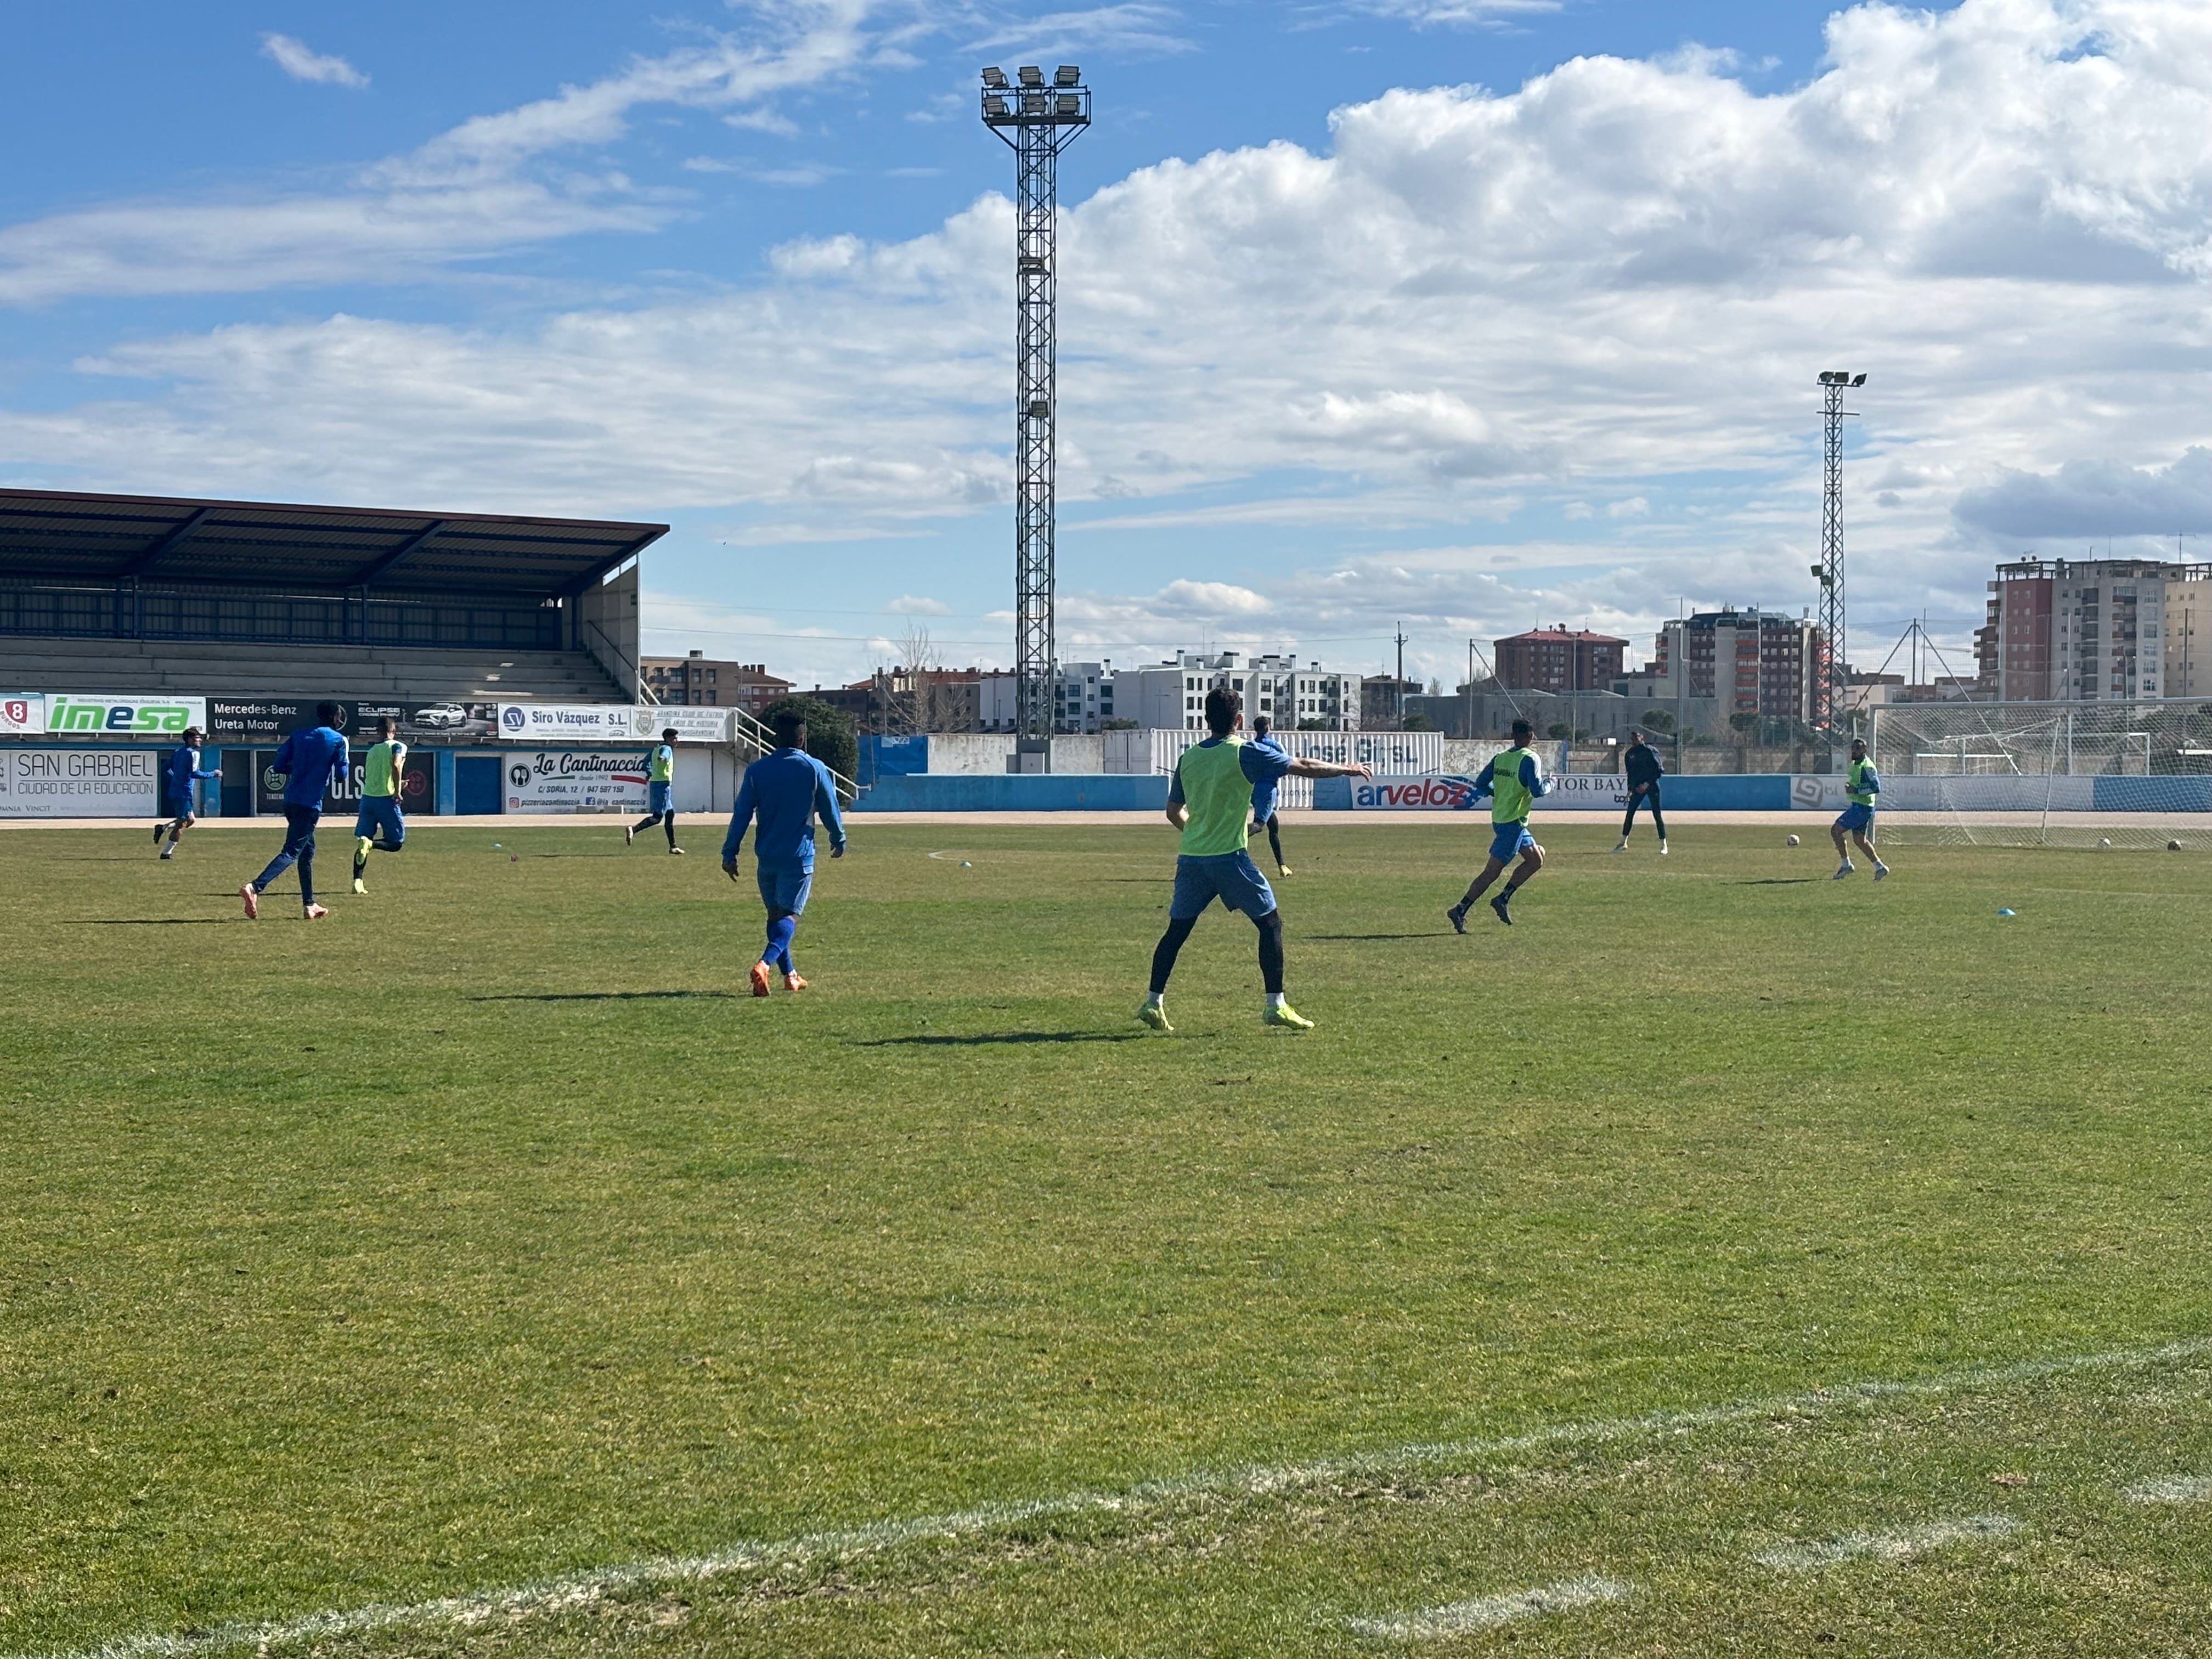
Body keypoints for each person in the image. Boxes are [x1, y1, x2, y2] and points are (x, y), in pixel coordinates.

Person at [1138, 686, 1372, 1034]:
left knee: (1176, 931)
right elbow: (1303, 765)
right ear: (1238, 720)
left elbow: (1173, 811)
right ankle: (1275, 1006)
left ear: (1206, 720)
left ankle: (1153, 1002)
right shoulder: (1246, 753)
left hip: (1191, 858)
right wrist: (1348, 769)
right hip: (1229, 857)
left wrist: (1196, 833)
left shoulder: (1188, 758)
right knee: (1270, 924)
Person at [721, 713, 846, 996]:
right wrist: (838, 839)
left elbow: (742, 813)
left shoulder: (758, 770)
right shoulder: (814, 768)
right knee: (790, 917)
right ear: (802, 739)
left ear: (776, 738)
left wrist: (730, 851)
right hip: (799, 855)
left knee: (775, 916)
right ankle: (764, 964)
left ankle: (790, 975)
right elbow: (829, 808)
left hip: (767, 855)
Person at [240, 702, 348, 921]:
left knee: (306, 852)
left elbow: (279, 766)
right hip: (310, 803)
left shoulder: (298, 735)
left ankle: (310, 904)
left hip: (291, 799)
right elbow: (342, 775)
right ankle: (255, 887)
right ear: (336, 718)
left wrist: (300, 768)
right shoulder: (338, 740)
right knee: (291, 851)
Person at [1448, 717, 1550, 931]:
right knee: (1491, 873)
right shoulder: (1531, 759)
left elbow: (1480, 783)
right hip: (1512, 823)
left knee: (1536, 858)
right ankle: (1460, 909)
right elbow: (1538, 791)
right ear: (1531, 736)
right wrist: (1552, 784)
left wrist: (1499, 793)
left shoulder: (1500, 758)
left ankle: (1503, 899)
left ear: (1513, 736)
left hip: (1506, 820)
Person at [351, 716, 408, 894]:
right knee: (396, 842)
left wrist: (397, 784)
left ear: (378, 732)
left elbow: (380, 775)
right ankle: (371, 844)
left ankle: (357, 882)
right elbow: (396, 765)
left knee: (363, 841)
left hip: (368, 799)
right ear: (394, 731)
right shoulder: (398, 746)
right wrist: (398, 790)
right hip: (386, 800)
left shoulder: (372, 751)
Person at [154, 725, 219, 860]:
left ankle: (163, 827)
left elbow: (165, 768)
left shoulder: (178, 752)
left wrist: (176, 779)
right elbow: (195, 774)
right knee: (182, 823)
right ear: (189, 739)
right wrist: (213, 774)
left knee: (191, 820)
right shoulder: (194, 754)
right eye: (197, 738)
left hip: (176, 791)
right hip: (183, 793)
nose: (200, 740)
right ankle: (166, 853)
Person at [1831, 736, 1889, 881]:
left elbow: (1876, 787)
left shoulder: (1867, 766)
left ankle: (1846, 865)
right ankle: (1880, 867)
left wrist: (1855, 790)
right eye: (1853, 748)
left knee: (1836, 831)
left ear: (1865, 750)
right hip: (1860, 806)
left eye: (1858, 749)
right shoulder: (1856, 764)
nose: (1854, 751)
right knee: (1859, 840)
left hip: (1862, 808)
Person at [1247, 712, 1293, 876]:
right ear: (1268, 728)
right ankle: (1230, 842)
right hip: (1268, 789)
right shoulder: (1274, 746)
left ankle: (1282, 866)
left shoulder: (1251, 746)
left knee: (1273, 826)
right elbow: (1285, 765)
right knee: (1259, 826)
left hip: (1254, 789)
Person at [627, 727, 684, 854]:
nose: (677, 741)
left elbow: (645, 762)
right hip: (663, 785)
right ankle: (633, 829)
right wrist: (662, 758)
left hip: (656, 783)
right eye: (675, 738)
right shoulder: (666, 749)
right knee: (657, 817)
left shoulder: (656, 748)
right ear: (669, 739)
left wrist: (650, 773)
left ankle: (673, 846)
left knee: (670, 814)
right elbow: (664, 755)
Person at [1614, 726, 1668, 855]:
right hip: (1638, 788)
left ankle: (1664, 844)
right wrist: (1630, 789)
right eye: (1632, 738)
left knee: (1657, 815)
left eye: (1636, 737)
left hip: (1652, 786)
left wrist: (1647, 783)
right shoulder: (1630, 754)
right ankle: (1623, 842)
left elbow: (1659, 771)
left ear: (1642, 738)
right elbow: (1630, 774)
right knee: (1630, 813)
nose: (1634, 740)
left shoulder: (1650, 751)